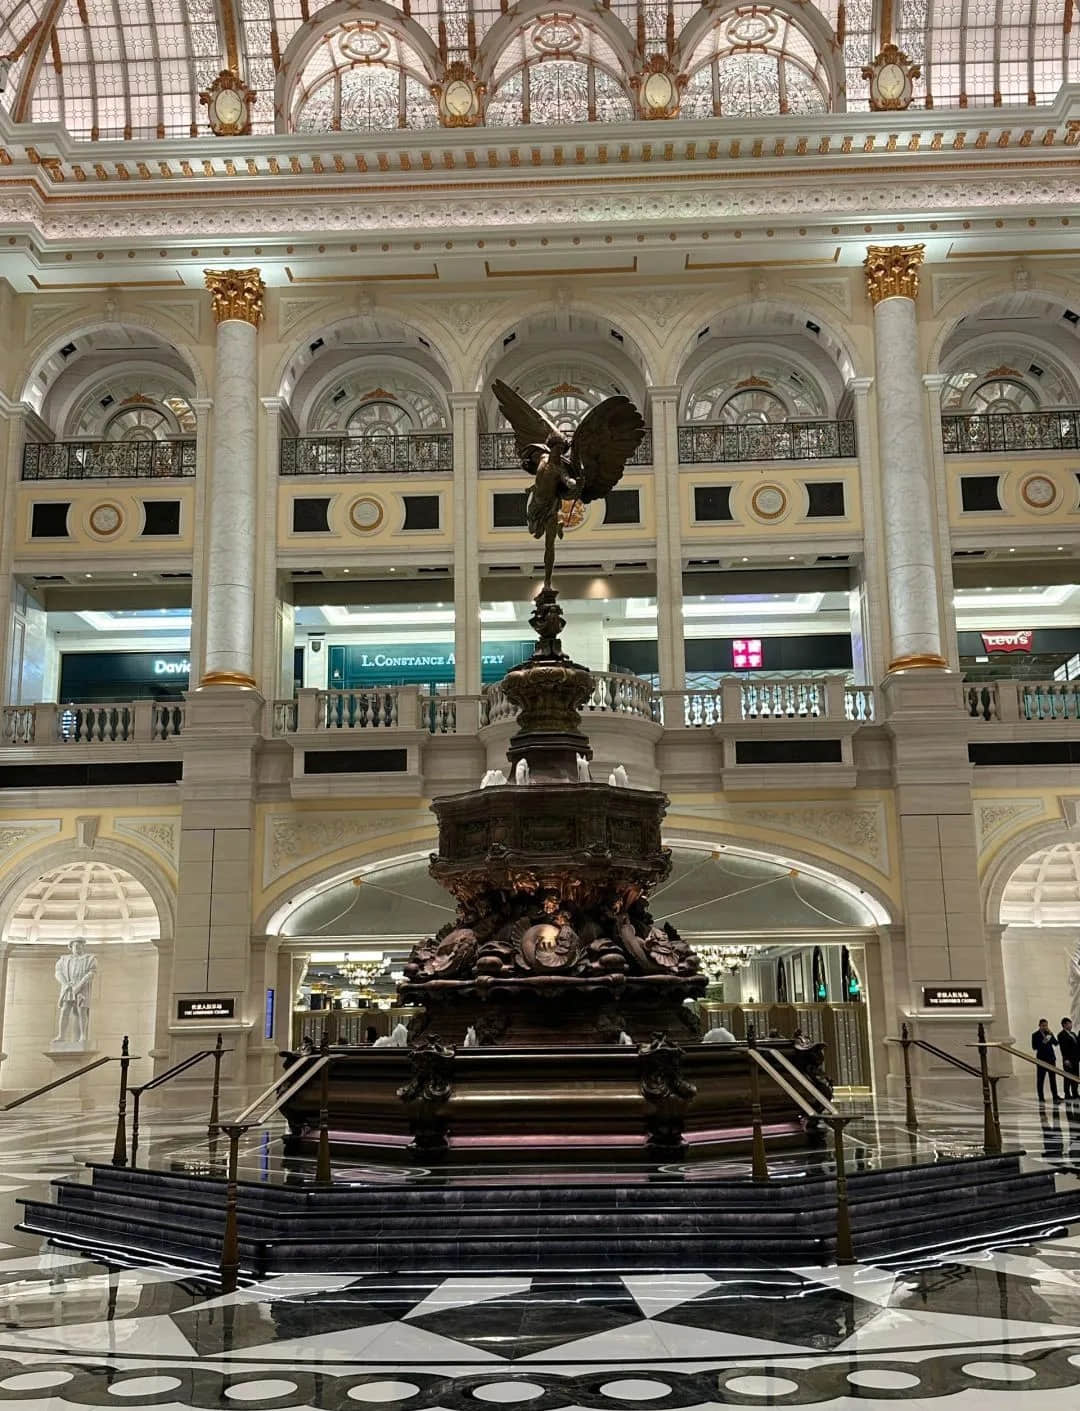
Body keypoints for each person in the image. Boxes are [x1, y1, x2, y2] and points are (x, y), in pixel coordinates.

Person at [1032, 1018, 1062, 1103]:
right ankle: (1041, 1097)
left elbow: (1056, 1043)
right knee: (1040, 1079)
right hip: (1041, 1060)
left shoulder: (1048, 1033)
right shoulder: (1035, 1035)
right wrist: (1044, 1041)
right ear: (1039, 1026)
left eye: (1046, 1025)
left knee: (1053, 1079)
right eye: (1043, 1025)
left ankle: (1055, 1096)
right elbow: (1034, 1047)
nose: (1045, 1027)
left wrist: (1051, 1034)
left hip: (1051, 1059)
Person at [1059, 1017, 1080, 1101]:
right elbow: (1063, 1048)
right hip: (1068, 1059)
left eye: (1070, 1023)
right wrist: (1066, 1059)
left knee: (1075, 1076)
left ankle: (1075, 1093)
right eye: (1069, 1023)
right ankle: (1067, 1094)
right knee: (1067, 1077)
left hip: (1075, 1059)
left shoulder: (1073, 1034)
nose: (1070, 1025)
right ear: (1064, 1024)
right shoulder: (1061, 1035)